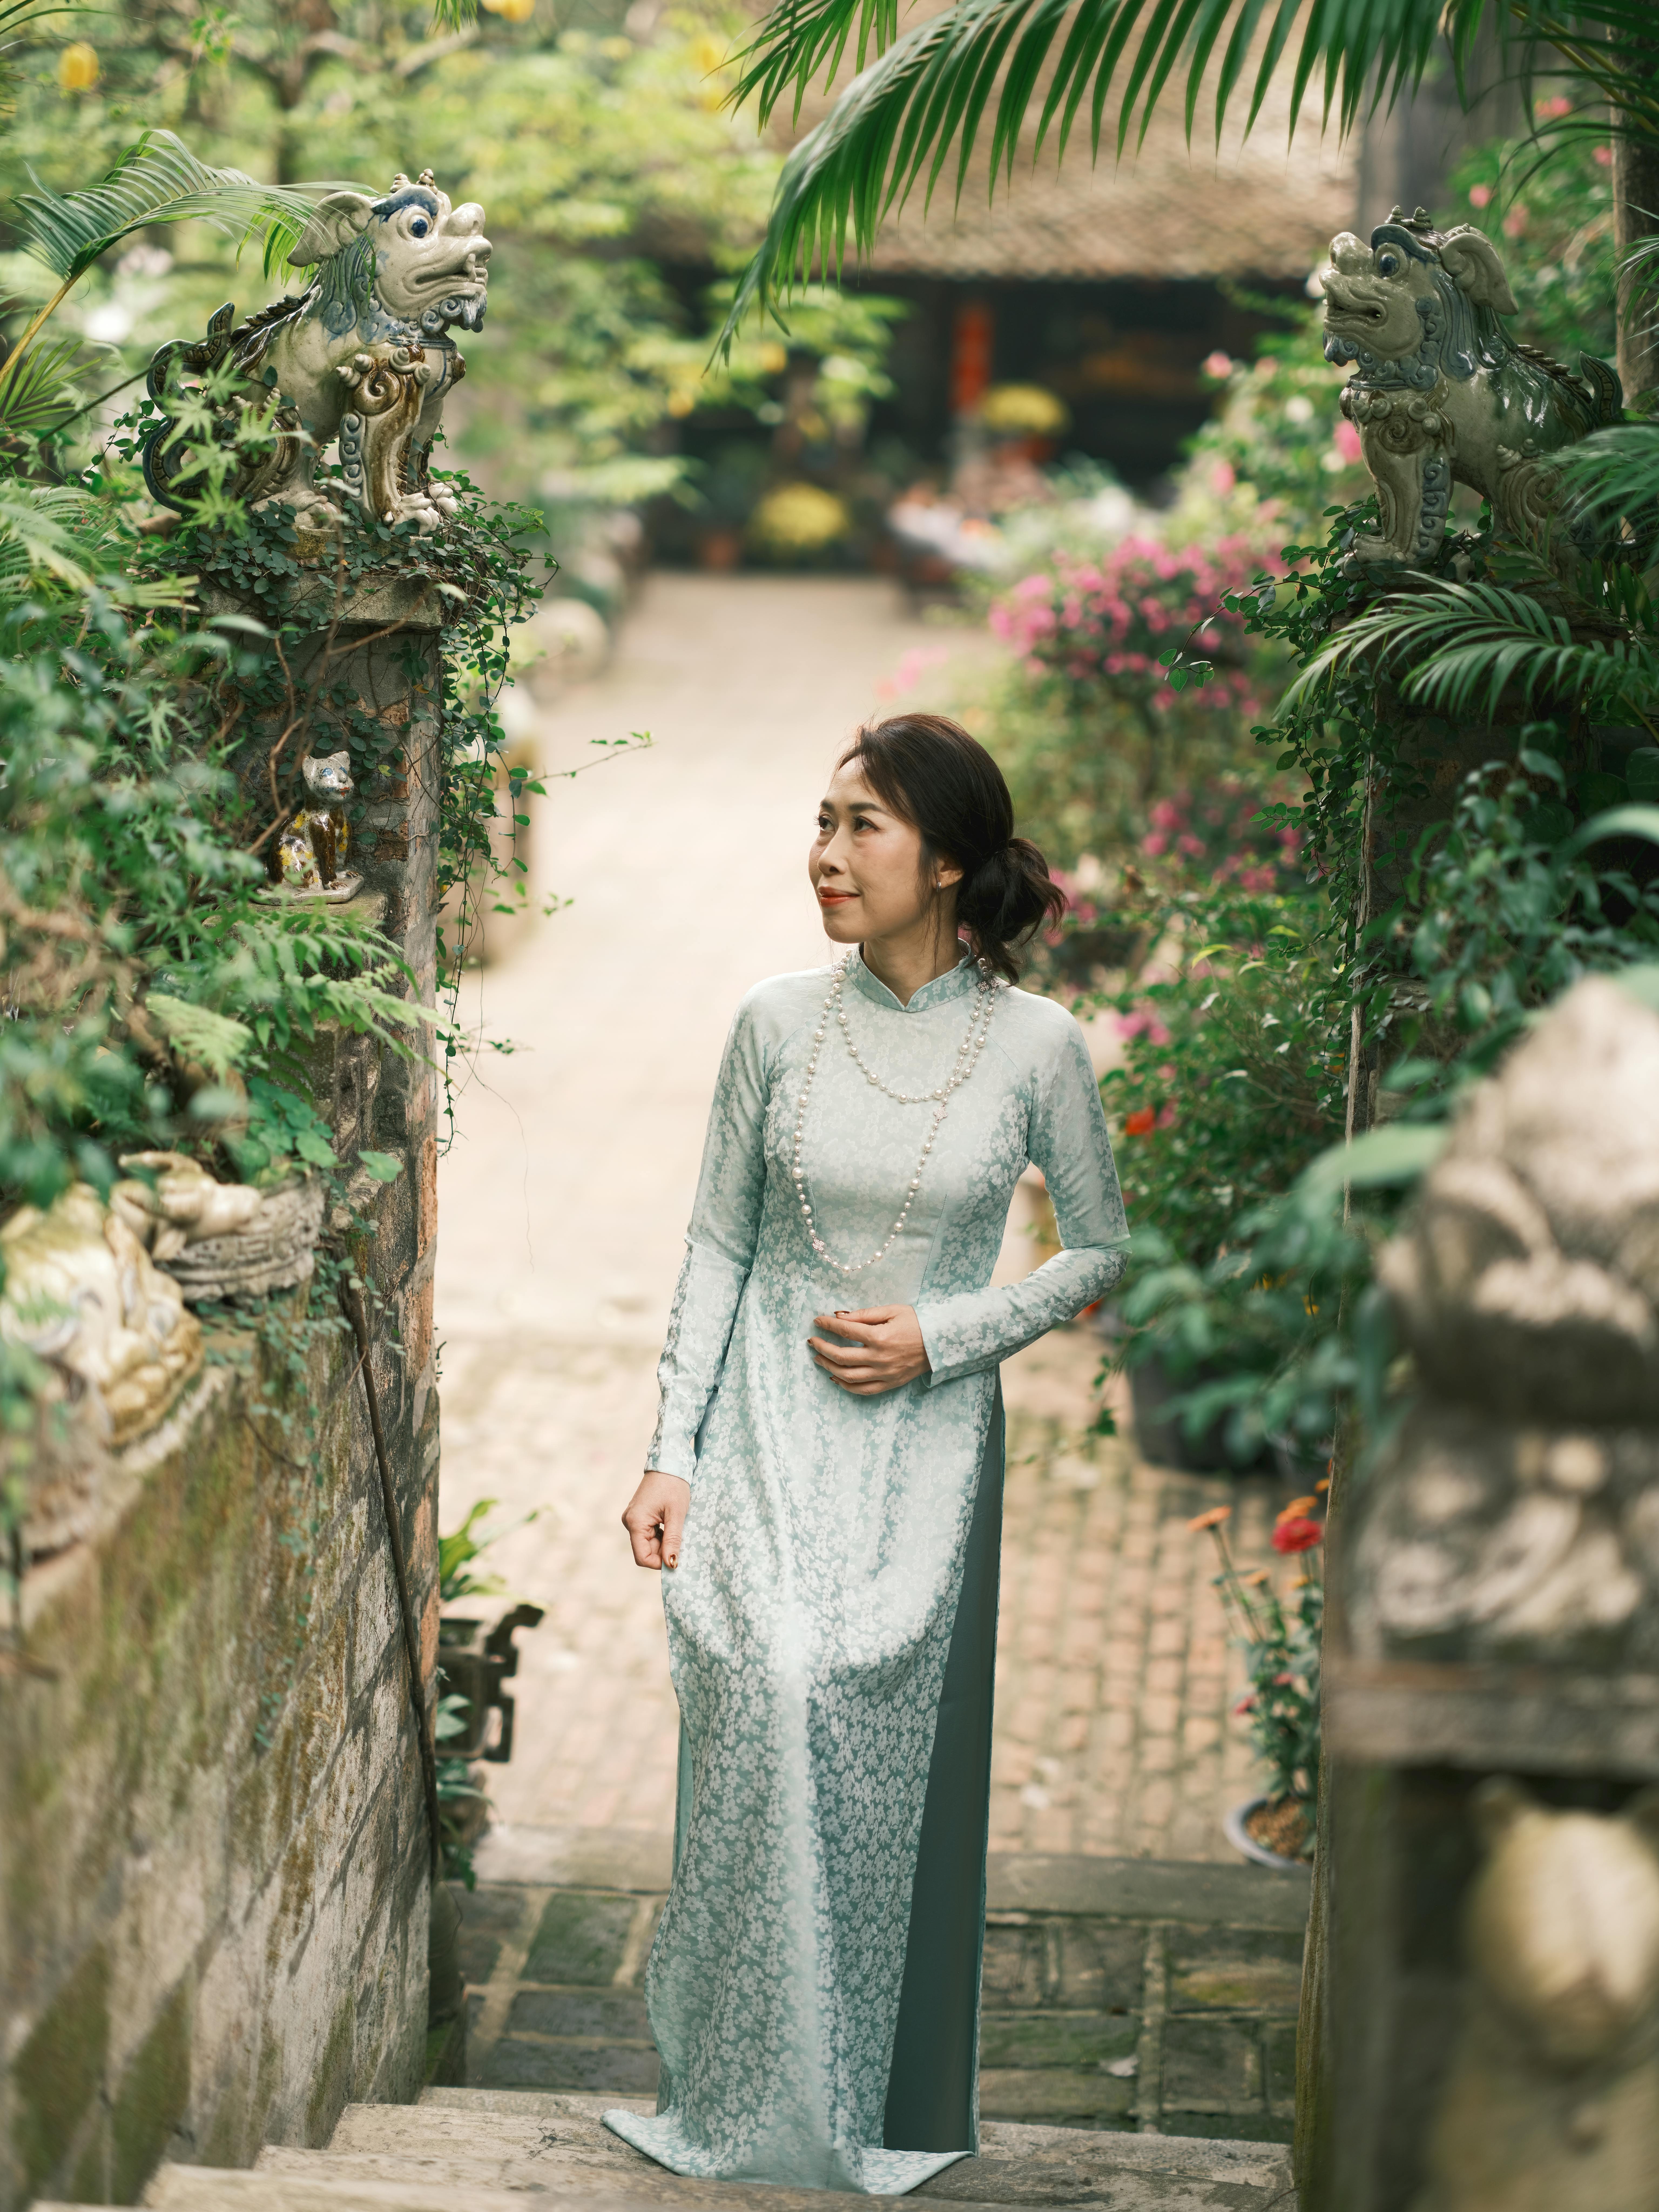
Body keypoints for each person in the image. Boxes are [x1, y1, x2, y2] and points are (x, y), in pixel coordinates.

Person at [606, 713, 1129, 2195]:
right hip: (764, 1424)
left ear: (946, 862)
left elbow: (1098, 1248)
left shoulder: (1039, 1047)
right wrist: (670, 1454)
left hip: (925, 1446)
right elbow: (718, 1245)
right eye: (823, 823)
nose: (826, 856)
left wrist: (947, 1334)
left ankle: (869, 2097)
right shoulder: (774, 1022)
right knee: (769, 1694)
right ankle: (736, 2088)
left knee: (865, 1730)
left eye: (862, 828)